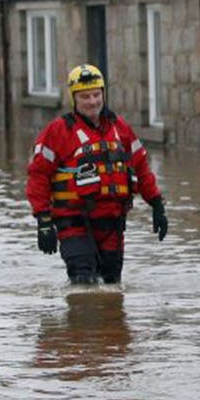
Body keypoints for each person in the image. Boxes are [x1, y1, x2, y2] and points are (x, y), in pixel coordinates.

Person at [26, 64, 167, 285]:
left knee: (112, 287)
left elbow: (141, 167)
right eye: (85, 97)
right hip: (74, 222)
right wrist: (43, 221)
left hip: (112, 224)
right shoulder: (58, 131)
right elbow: (38, 176)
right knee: (84, 282)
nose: (92, 102)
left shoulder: (120, 128)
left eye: (96, 95)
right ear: (74, 99)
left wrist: (157, 204)